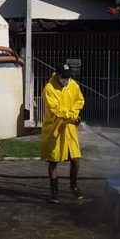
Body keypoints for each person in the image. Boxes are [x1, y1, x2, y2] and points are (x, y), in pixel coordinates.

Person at [40, 64, 85, 204]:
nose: (66, 80)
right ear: (57, 75)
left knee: (76, 159)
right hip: (54, 129)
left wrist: (74, 114)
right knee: (53, 161)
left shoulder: (73, 85)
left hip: (69, 129)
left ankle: (74, 186)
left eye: (68, 77)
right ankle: (54, 193)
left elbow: (80, 100)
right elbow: (55, 110)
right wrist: (70, 116)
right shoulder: (49, 88)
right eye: (64, 77)